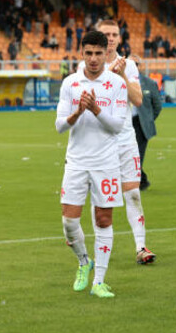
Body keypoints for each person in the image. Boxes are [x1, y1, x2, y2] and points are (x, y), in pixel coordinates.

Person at [56, 31, 127, 298]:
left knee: (104, 219)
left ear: (105, 53)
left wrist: (96, 108)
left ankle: (99, 281)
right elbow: (60, 126)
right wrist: (77, 112)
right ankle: (84, 261)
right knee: (69, 223)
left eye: (99, 53)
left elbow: (118, 126)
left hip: (106, 162)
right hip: (76, 161)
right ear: (82, 53)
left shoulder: (116, 84)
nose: (94, 59)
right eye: (89, 53)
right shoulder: (71, 83)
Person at [79, 20, 156, 265]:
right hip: (98, 142)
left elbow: (138, 100)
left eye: (114, 34)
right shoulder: (85, 66)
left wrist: (121, 73)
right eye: (105, 34)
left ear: (119, 38)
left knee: (133, 193)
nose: (110, 38)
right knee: (99, 199)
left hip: (125, 140)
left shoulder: (129, 65)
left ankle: (141, 246)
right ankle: (99, 248)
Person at [130, 55, 162, 191]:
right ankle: (141, 180)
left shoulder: (149, 83)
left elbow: (157, 105)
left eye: (135, 64)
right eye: (129, 64)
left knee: (137, 155)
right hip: (124, 123)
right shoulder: (119, 81)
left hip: (140, 124)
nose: (133, 66)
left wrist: (147, 119)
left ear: (139, 66)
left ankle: (137, 182)